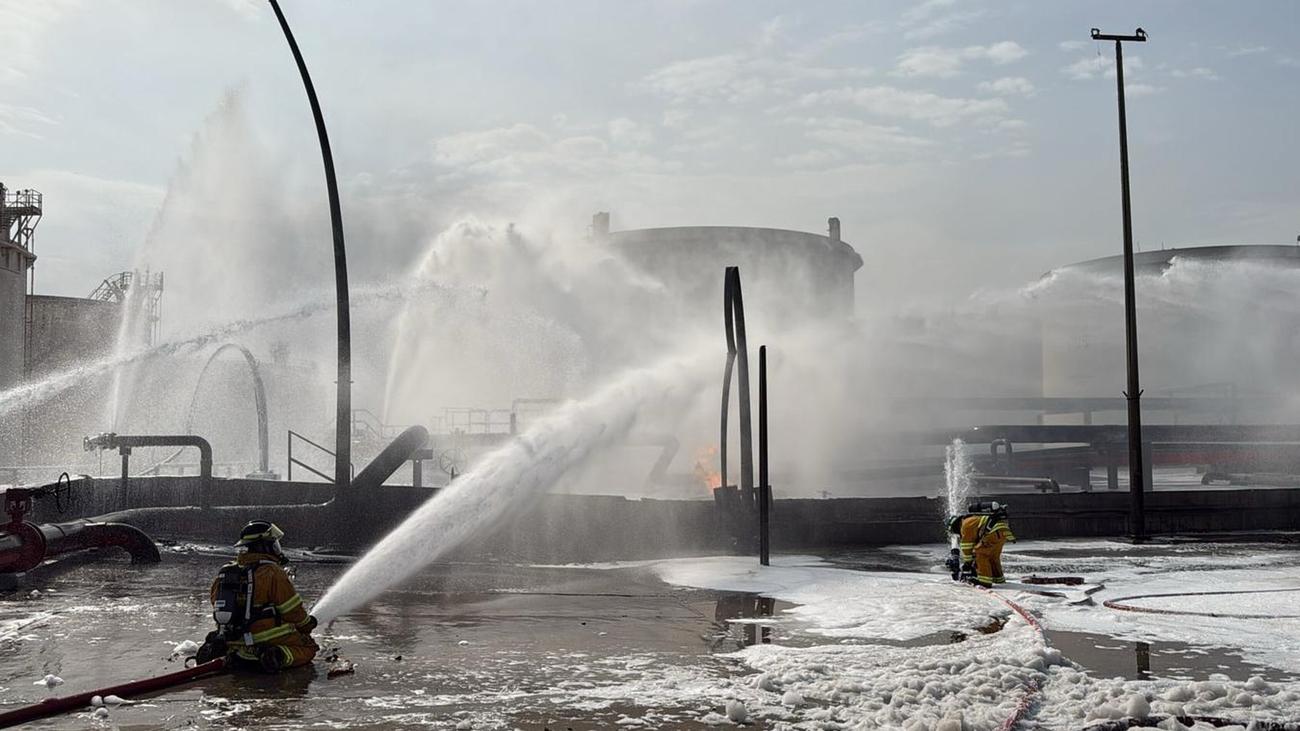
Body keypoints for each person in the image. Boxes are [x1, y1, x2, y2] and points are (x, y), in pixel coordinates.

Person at [195, 521, 319, 672]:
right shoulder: (273, 572)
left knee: (235, 647)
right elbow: (292, 610)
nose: (276, 548)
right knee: (309, 647)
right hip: (265, 638)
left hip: (233, 638)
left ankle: (225, 650)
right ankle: (277, 656)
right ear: (264, 546)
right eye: (274, 543)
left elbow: (216, 601)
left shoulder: (227, 572)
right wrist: (307, 624)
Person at [958, 503, 1016, 588]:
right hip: (1002, 531)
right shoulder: (973, 519)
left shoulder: (965, 524)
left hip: (993, 532)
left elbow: (966, 546)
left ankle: (984, 581)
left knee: (981, 553)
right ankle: (998, 579)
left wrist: (968, 562)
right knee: (993, 556)